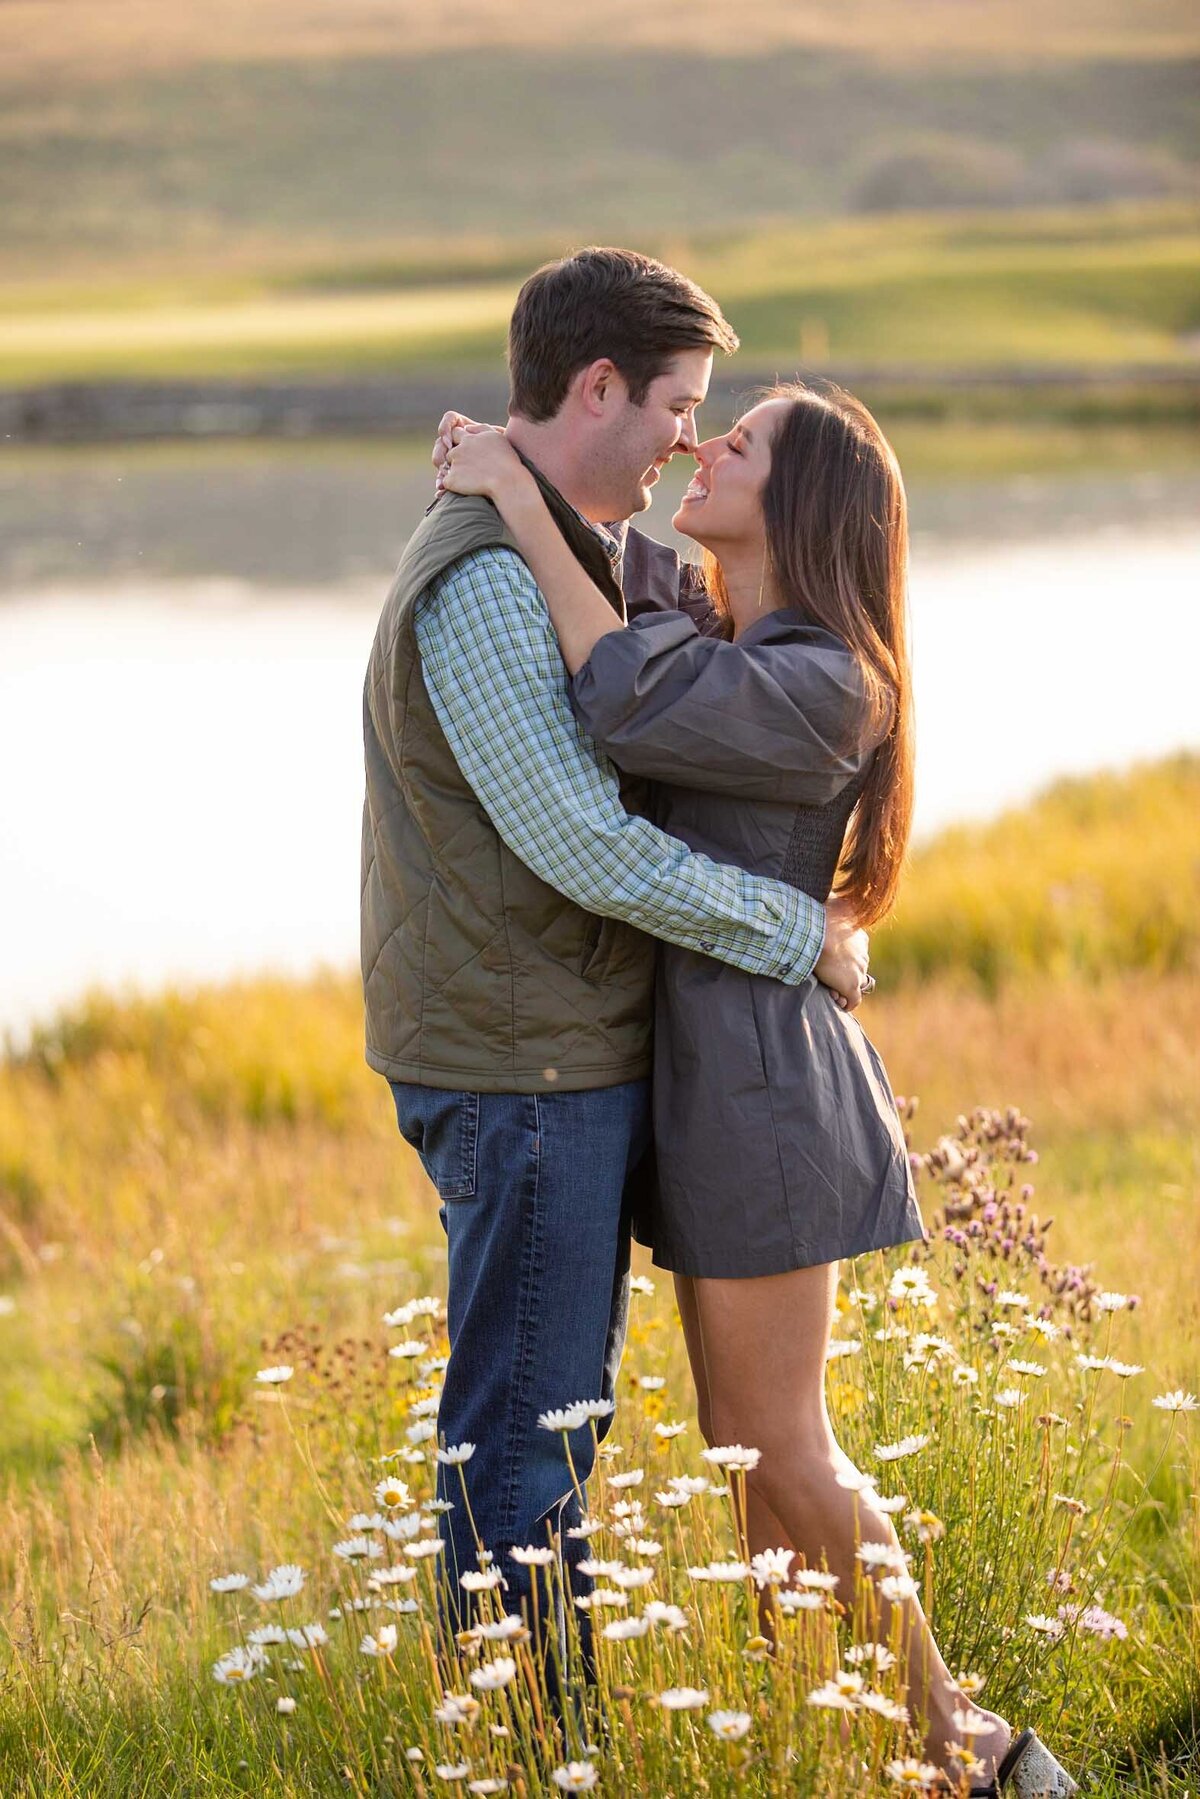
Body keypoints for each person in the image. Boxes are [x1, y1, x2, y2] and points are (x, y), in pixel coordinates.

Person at [437, 384, 1079, 1799]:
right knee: (748, 1469)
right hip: (716, 1090)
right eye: (705, 424)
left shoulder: (826, 679)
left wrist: (513, 499)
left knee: (787, 1453)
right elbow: (629, 588)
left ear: (807, 507)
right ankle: (878, 1755)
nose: (709, 443)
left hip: (769, 1098)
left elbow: (622, 690)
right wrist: (520, 471)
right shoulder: (741, 631)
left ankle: (977, 1751)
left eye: (743, 441)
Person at [359, 249, 871, 1681]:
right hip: (523, 1067)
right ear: (598, 388)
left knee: (555, 1433)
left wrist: (506, 475)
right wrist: (798, 936)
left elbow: (658, 671)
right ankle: (529, 1750)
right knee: (527, 1446)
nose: (689, 442)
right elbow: (583, 847)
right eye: (681, 407)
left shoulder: (555, 554)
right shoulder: (485, 585)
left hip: (554, 1055)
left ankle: (558, 1736)